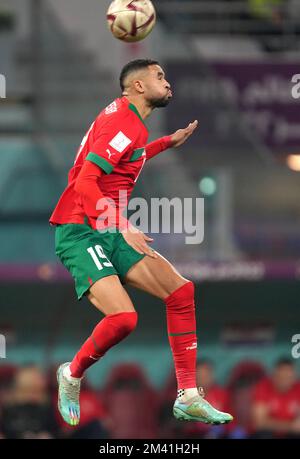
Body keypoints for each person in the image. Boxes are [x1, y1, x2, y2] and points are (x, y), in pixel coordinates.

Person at [49, 59, 233, 427]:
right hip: (80, 228)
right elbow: (86, 182)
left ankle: (189, 396)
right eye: (159, 76)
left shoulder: (128, 121)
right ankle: (72, 372)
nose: (167, 82)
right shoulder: (124, 122)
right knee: (124, 319)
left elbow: (126, 158)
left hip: (107, 226)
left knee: (180, 292)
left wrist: (167, 142)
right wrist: (121, 223)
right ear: (136, 86)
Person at [252, 357, 300, 438]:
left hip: (291, 434)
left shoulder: (298, 389)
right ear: (274, 375)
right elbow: (259, 423)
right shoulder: (263, 387)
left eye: (288, 377)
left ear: (294, 376)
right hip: (269, 434)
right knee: (264, 434)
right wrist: (290, 426)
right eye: (281, 377)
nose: (285, 381)